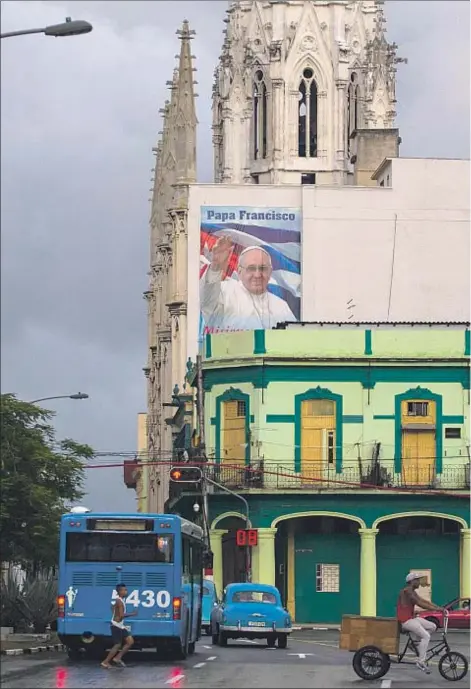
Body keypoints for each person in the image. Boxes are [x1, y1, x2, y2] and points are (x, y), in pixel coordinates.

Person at [200, 236, 297, 331]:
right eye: (251, 268)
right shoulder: (225, 291)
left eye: (263, 268)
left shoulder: (281, 306)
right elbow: (206, 300)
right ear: (239, 271)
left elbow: (293, 340)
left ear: (270, 272)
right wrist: (216, 266)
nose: (257, 274)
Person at [396, 572, 445, 674]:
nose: (419, 582)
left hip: (411, 619)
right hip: (405, 621)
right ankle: (420, 661)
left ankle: (416, 645)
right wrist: (436, 609)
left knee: (432, 626)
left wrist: (438, 607)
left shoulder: (412, 591)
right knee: (426, 636)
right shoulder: (407, 591)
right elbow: (420, 603)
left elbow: (423, 601)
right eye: (417, 580)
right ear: (412, 581)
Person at [101, 583, 137, 669]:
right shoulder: (119, 601)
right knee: (117, 644)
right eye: (124, 590)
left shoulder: (120, 601)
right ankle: (105, 662)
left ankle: (117, 658)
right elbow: (121, 615)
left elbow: (112, 607)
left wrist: (115, 613)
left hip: (120, 625)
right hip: (116, 625)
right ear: (120, 591)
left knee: (130, 641)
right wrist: (132, 614)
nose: (126, 592)